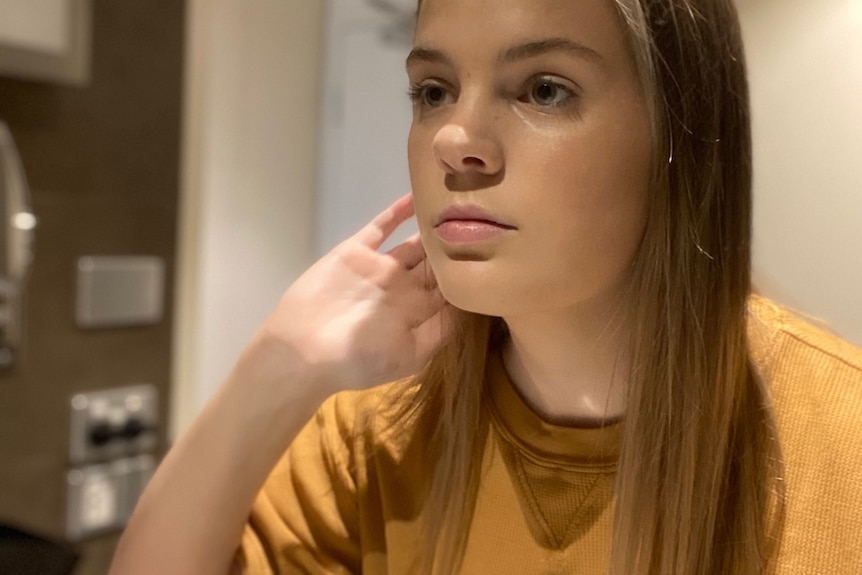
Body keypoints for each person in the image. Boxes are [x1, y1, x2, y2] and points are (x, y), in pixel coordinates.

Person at [109, 0, 862, 573]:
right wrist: (273, 369)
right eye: (433, 90)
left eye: (543, 89)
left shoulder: (841, 445)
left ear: (681, 133)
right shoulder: (377, 438)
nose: (454, 140)